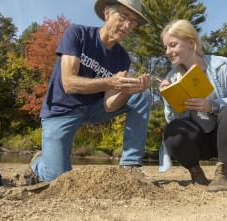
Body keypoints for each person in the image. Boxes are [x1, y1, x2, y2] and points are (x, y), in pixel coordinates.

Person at [25, 0, 152, 184]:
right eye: (124, 16)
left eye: (133, 21)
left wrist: (128, 90)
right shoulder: (78, 33)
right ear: (107, 13)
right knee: (57, 179)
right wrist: (111, 81)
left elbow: (109, 106)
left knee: (142, 95)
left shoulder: (123, 58)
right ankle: (38, 162)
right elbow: (69, 83)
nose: (127, 25)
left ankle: (131, 165)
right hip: (61, 111)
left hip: (92, 108)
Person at [158, 20, 227, 192]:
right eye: (166, 47)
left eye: (172, 45)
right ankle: (196, 174)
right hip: (198, 140)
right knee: (173, 129)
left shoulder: (224, 66)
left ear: (191, 43)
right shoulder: (172, 77)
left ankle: (222, 174)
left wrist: (212, 106)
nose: (168, 52)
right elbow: (173, 120)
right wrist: (168, 97)